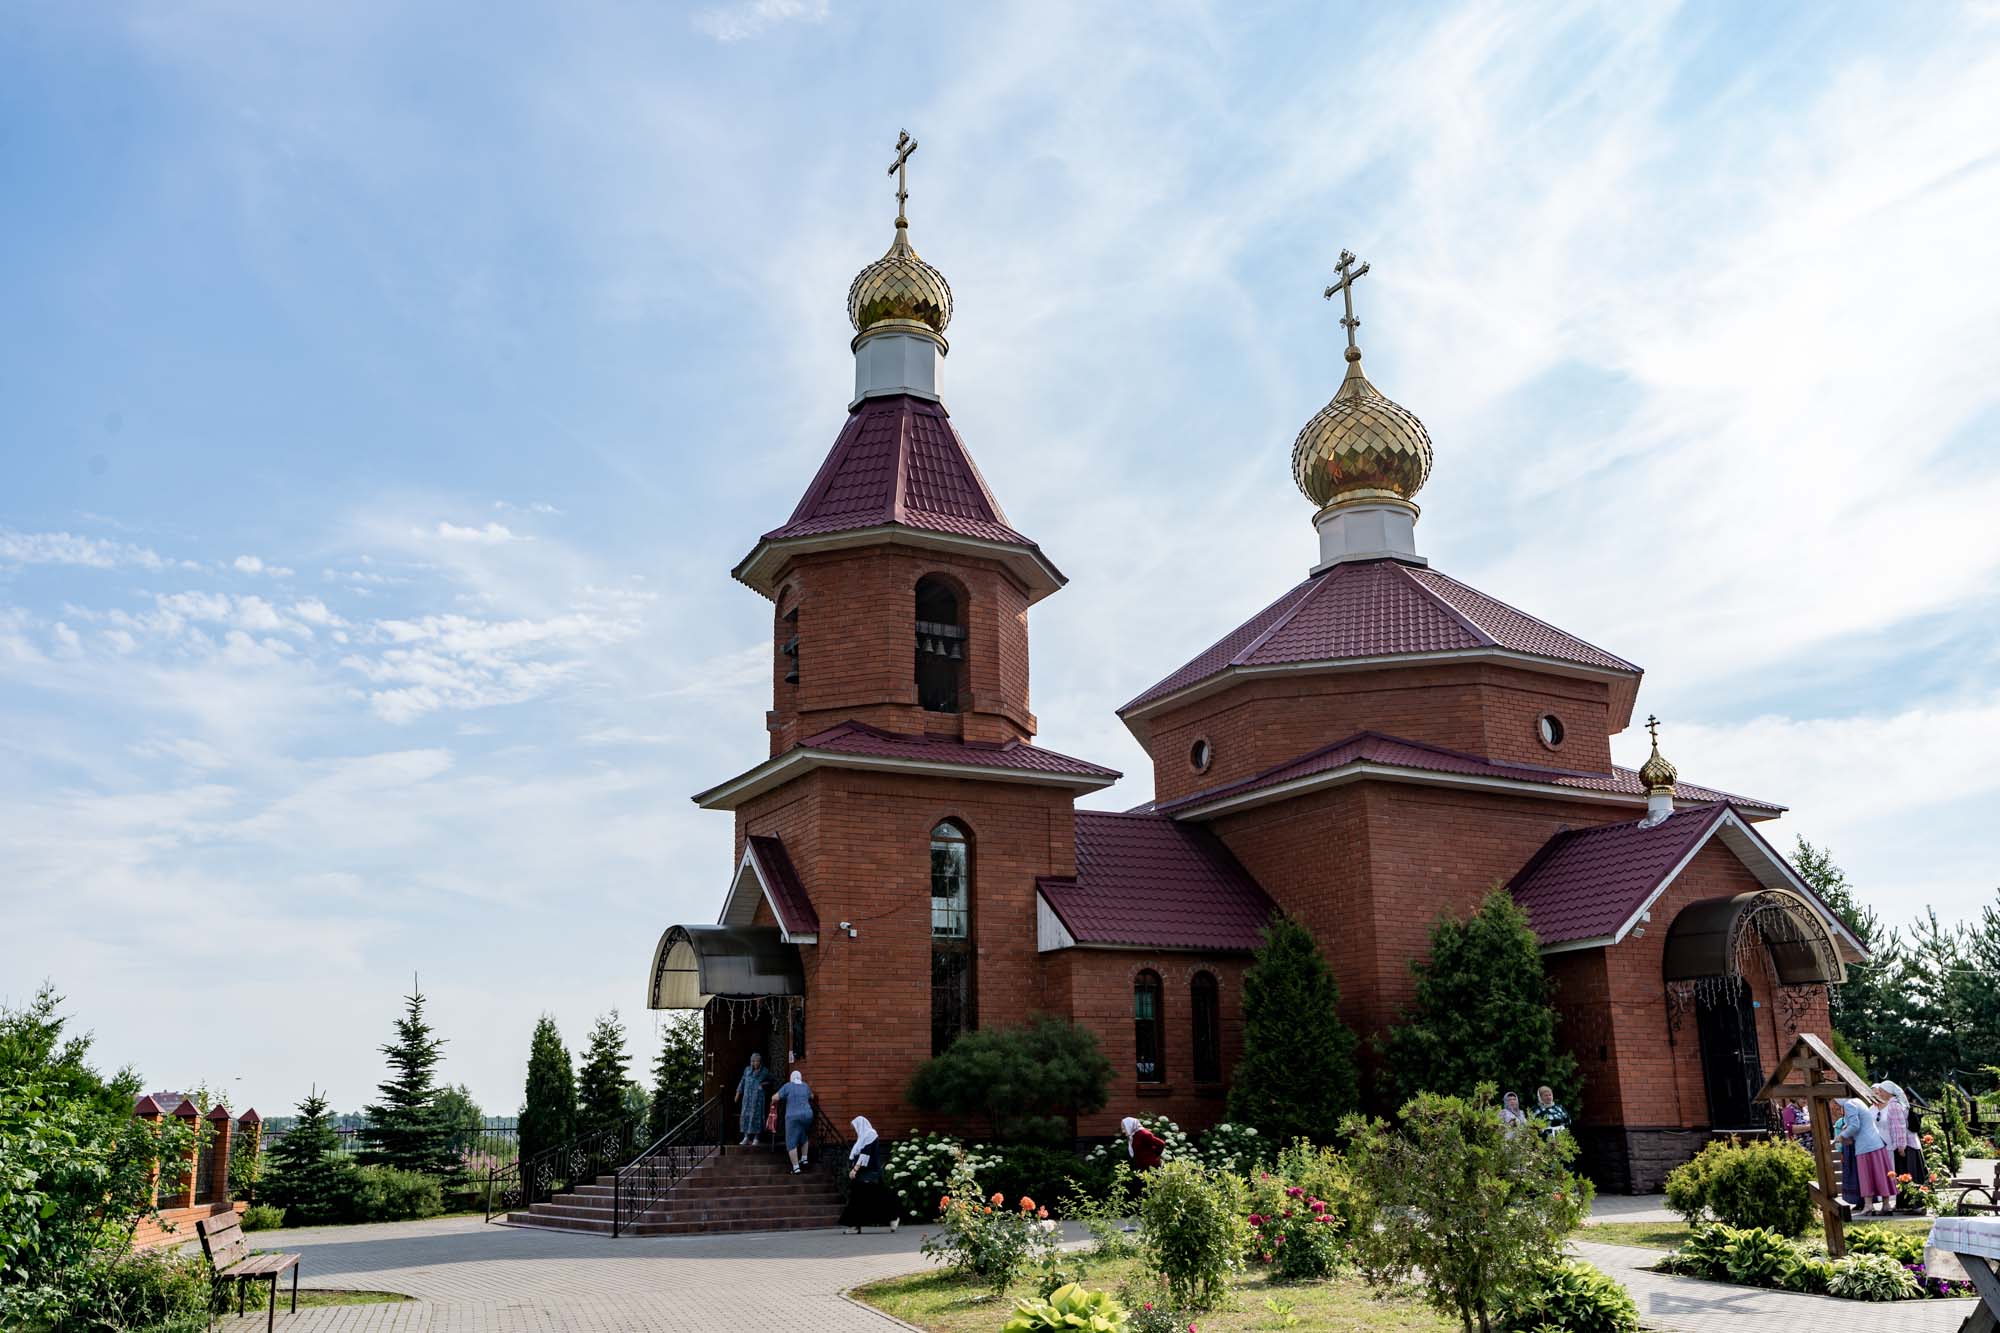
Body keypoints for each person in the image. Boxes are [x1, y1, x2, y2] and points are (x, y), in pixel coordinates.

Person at [1837, 1091, 1895, 1215]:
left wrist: (1842, 1136)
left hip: (1865, 1145)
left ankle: (1868, 1206)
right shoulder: (1857, 1101)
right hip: (1876, 1142)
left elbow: (1855, 1125)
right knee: (1881, 1174)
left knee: (1866, 1175)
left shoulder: (1848, 1104)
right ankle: (1886, 1205)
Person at [840, 1116, 899, 1233]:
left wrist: (855, 1169)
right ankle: (891, 1218)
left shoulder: (870, 1135)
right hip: (864, 1174)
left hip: (868, 1173)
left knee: (866, 1199)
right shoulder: (863, 1137)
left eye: (855, 1127)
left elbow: (865, 1154)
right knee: (864, 1199)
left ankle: (856, 1225)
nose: (855, 1130)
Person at [1874, 1081, 1915, 1197]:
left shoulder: (1894, 1105)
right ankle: (1903, 1202)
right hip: (1901, 1145)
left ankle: (1905, 1201)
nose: (1880, 1094)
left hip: (1900, 1146)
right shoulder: (1897, 1103)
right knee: (1903, 1174)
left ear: (1888, 1092)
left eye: (1881, 1091)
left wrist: (1901, 1146)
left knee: (1902, 1174)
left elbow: (1899, 1127)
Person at [772, 1070, 815, 1174]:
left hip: (793, 1116)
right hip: (808, 1115)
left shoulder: (788, 1086)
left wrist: (773, 1101)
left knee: (791, 1141)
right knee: (803, 1135)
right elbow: (812, 1096)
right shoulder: (805, 1086)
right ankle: (804, 1158)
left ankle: (796, 1167)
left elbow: (775, 1097)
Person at [734, 1051, 772, 1147]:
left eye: (757, 1061)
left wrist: (762, 1084)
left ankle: (756, 1138)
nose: (755, 1063)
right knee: (745, 1115)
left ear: (760, 1062)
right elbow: (742, 1081)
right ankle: (746, 1137)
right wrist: (738, 1094)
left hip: (758, 1098)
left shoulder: (764, 1071)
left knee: (756, 1116)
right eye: (753, 1061)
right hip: (747, 1097)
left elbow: (771, 1080)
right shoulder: (747, 1070)